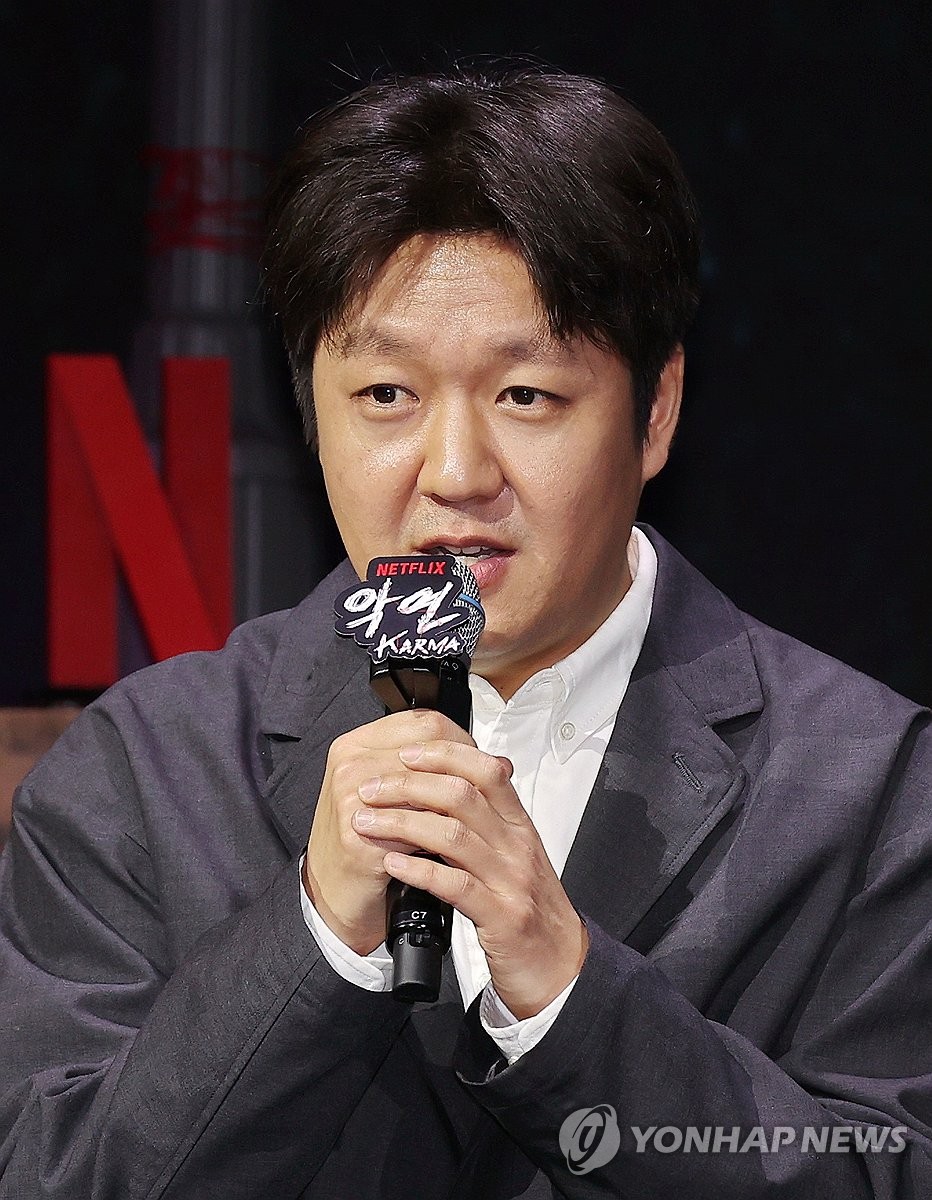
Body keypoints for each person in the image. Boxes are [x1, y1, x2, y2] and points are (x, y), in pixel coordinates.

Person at [1, 67, 930, 1199]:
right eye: (386, 396)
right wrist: (315, 935)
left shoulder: (873, 790)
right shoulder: (144, 770)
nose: (453, 473)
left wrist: (569, 994)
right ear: (312, 415)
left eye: (525, 396)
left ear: (654, 412)